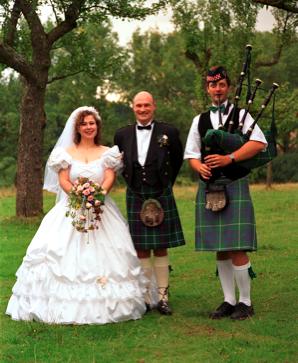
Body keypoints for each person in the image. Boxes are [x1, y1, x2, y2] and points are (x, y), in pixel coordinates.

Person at [6, 106, 148, 325]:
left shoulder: (107, 152)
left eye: (92, 123)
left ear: (97, 126)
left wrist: (98, 195)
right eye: (84, 124)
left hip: (101, 208)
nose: (88, 127)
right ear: (77, 127)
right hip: (71, 208)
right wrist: (78, 195)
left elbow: (109, 177)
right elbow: (64, 180)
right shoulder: (66, 154)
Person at [184, 66, 267, 320]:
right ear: (207, 89)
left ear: (228, 87)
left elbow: (259, 143)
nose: (217, 90)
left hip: (234, 183)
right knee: (220, 247)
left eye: (221, 85)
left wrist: (229, 158)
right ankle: (228, 300)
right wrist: (200, 168)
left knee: (237, 246)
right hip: (210, 186)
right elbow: (191, 154)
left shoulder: (242, 115)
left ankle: (246, 301)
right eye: (212, 85)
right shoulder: (199, 120)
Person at [114, 91, 185, 315]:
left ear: (154, 107)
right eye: (138, 106)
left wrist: (165, 184)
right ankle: (145, 297)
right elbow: (120, 162)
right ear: (133, 108)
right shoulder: (121, 134)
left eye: (146, 105)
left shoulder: (169, 132)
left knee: (161, 246)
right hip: (136, 192)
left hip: (161, 191)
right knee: (141, 247)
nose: (142, 109)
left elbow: (177, 159)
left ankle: (163, 296)